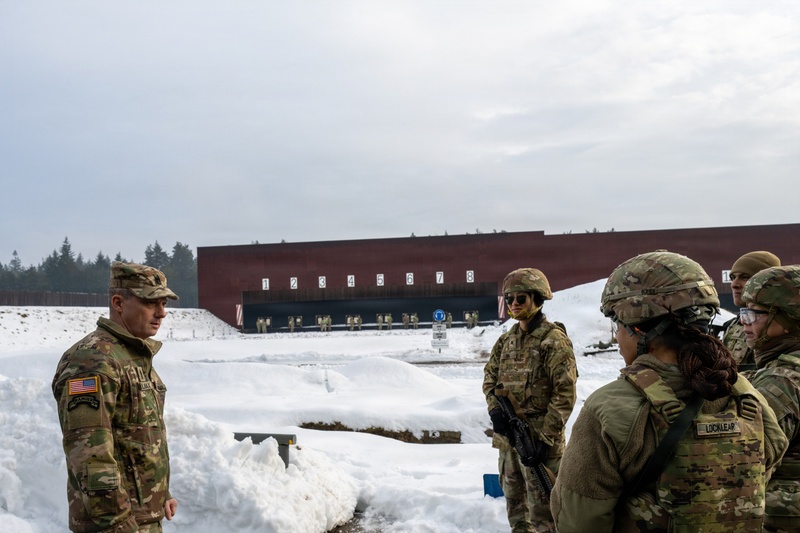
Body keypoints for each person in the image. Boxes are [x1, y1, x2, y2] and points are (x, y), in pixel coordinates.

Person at [551, 251, 788, 533]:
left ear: (637, 329)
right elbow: (761, 474)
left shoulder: (609, 408)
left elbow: (579, 522)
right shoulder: (745, 394)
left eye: (618, 326)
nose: (617, 337)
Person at [52, 261, 180, 533]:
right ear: (119, 303)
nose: (162, 313)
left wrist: (160, 493)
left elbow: (136, 438)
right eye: (151, 303)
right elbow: (89, 455)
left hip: (140, 519)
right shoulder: (92, 361)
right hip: (114, 525)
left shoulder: (131, 355)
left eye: (164, 303)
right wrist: (118, 524)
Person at [483, 267, 578, 533]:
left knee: (546, 512)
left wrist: (545, 439)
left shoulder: (553, 340)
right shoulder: (506, 340)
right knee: (515, 508)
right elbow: (489, 378)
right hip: (509, 441)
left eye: (520, 298)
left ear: (537, 299)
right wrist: (495, 411)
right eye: (509, 299)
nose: (514, 304)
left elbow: (565, 393)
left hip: (539, 441)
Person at [740, 265, 800, 532]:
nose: (744, 320)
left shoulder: (782, 381)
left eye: (755, 313)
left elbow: (744, 465)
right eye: (744, 311)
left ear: (788, 320)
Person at [722, 251, 781, 369]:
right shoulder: (732, 324)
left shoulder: (778, 325)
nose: (734, 284)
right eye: (733, 278)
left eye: (744, 277)